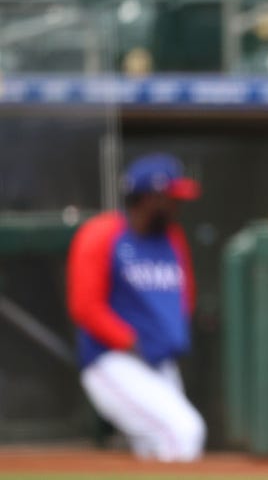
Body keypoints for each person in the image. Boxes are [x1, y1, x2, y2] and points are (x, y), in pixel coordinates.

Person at [66, 152, 206, 462]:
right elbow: (85, 306)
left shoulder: (172, 237)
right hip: (113, 360)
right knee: (184, 431)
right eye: (171, 197)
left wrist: (170, 335)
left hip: (162, 361)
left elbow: (186, 295)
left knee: (157, 449)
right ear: (149, 198)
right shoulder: (103, 233)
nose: (177, 205)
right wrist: (131, 341)